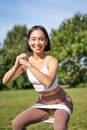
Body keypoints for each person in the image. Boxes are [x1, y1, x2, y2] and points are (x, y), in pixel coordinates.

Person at [2, 25, 73, 130]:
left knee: (59, 127)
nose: (37, 43)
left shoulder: (51, 60)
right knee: (17, 124)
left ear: (46, 42)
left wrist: (29, 65)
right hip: (42, 103)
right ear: (29, 42)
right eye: (33, 39)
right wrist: (16, 66)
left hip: (61, 101)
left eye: (41, 39)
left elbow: (48, 82)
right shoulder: (25, 63)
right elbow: (5, 81)